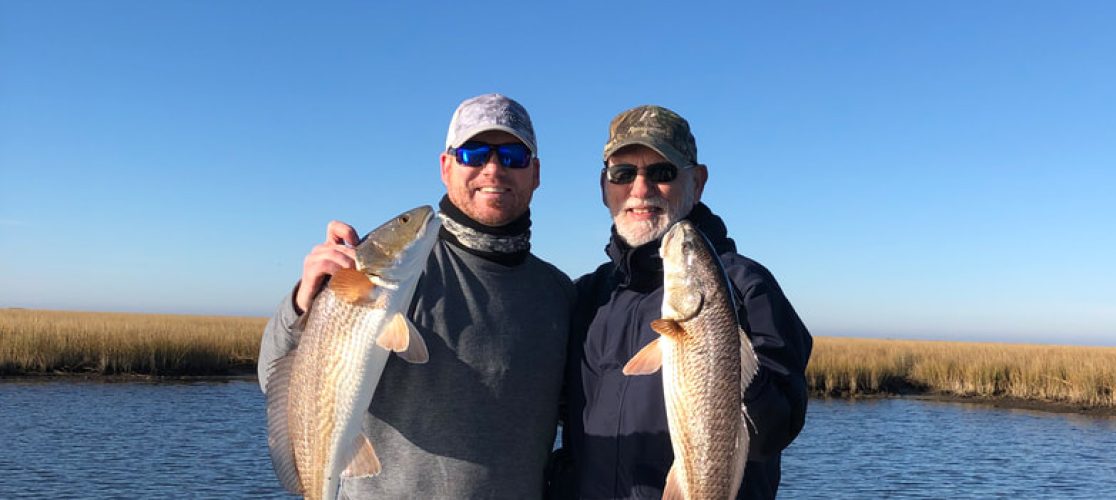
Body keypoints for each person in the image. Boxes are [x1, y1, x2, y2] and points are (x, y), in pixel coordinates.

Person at [259, 93, 575, 499]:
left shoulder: (560, 293)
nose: (493, 169)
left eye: (513, 155)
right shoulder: (386, 274)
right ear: (446, 167)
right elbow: (273, 375)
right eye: (474, 153)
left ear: (535, 173)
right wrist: (306, 302)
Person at [550, 105, 813, 499]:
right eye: (623, 173)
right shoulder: (584, 296)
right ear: (604, 186)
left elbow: (773, 433)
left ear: (698, 182)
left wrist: (727, 361)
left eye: (662, 172)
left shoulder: (748, 287)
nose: (641, 190)